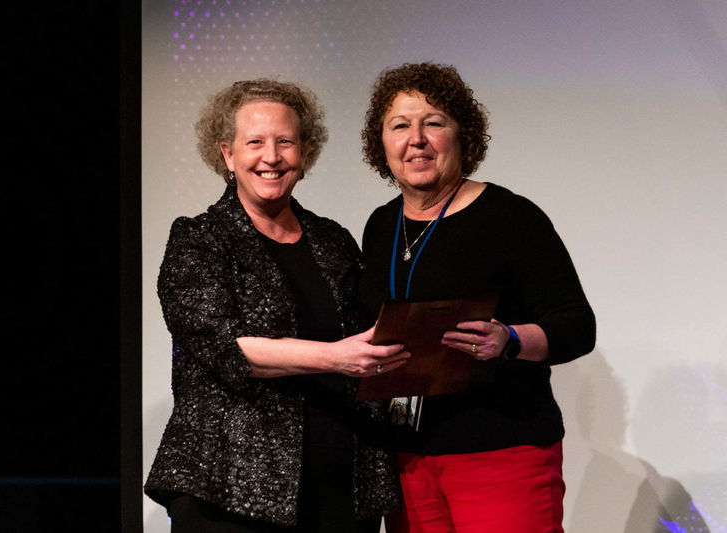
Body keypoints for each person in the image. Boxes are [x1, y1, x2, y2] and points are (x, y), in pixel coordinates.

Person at [144, 79, 409, 532]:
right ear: (227, 155)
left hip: (343, 491)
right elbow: (224, 347)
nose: (271, 156)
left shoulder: (334, 240)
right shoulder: (199, 238)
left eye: (285, 141)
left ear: (304, 153)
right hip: (229, 494)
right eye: (255, 142)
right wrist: (336, 357)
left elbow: (373, 333)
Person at [358, 62, 596, 533]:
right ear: (381, 142)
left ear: (463, 135)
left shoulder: (510, 217)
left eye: (434, 123)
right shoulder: (381, 226)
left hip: (500, 449)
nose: (417, 139)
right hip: (407, 458)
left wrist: (508, 338)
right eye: (400, 126)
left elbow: (576, 325)